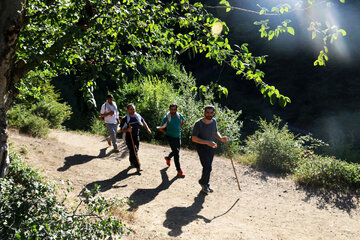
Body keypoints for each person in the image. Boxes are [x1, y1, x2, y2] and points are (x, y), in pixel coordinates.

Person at [191, 105, 227, 194]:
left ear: (213, 113)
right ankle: (203, 183)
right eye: (207, 112)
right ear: (204, 113)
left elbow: (215, 132)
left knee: (207, 167)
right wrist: (207, 142)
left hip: (211, 147)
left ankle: (205, 183)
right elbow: (194, 138)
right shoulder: (198, 123)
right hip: (201, 147)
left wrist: (221, 138)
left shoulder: (213, 121)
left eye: (211, 113)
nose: (209, 114)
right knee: (208, 167)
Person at [119, 103, 151, 173]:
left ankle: (132, 161)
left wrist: (147, 129)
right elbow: (120, 130)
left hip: (136, 136)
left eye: (133, 109)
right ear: (127, 110)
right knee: (134, 150)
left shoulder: (137, 116)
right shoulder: (125, 119)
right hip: (128, 137)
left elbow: (143, 121)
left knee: (135, 150)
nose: (132, 111)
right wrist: (127, 130)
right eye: (131, 109)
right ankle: (138, 166)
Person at [158, 103, 185, 178]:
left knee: (176, 151)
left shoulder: (179, 115)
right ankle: (179, 171)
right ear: (169, 109)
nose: (173, 111)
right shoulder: (167, 117)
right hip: (170, 137)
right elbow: (161, 127)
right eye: (171, 109)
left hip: (178, 136)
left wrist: (179, 128)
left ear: (177, 109)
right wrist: (166, 132)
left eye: (174, 109)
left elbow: (182, 122)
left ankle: (168, 157)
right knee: (176, 153)